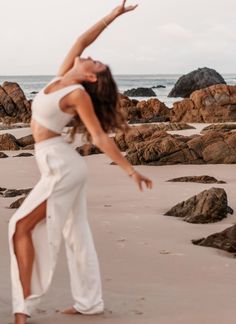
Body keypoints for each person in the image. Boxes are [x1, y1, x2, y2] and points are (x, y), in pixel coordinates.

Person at [9, 1, 153, 323]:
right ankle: (89, 302)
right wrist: (113, 16)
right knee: (77, 235)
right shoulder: (61, 78)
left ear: (89, 77)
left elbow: (100, 137)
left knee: (19, 227)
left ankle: (23, 311)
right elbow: (82, 41)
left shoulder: (77, 94)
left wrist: (131, 171)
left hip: (62, 167)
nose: (90, 56)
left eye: (95, 62)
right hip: (57, 163)